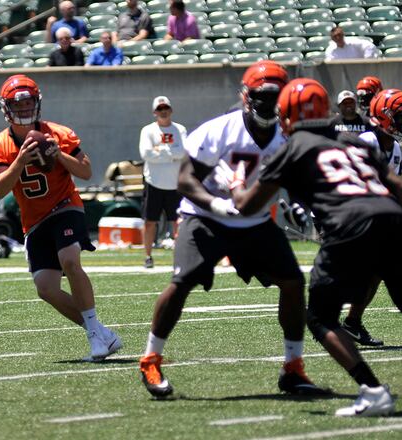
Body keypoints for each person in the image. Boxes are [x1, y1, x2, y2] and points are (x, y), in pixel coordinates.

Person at [139, 61, 326, 398]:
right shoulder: (219, 130)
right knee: (182, 281)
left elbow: (298, 177)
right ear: (245, 97)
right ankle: (151, 358)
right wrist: (216, 204)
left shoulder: (289, 134)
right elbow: (185, 179)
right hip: (205, 217)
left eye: (275, 97)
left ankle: (293, 367)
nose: (268, 104)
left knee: (293, 282)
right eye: (261, 96)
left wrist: (304, 206)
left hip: (253, 220)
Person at [229, 79, 402, 417]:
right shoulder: (355, 141)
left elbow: (249, 206)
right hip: (393, 217)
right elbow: (399, 186)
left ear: (288, 114)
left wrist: (237, 182)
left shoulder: (293, 145)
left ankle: (372, 390)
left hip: (348, 225)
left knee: (321, 317)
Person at [0, 74, 122, 360]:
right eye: (17, 105)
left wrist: (58, 155)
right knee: (45, 288)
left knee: (69, 259)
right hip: (34, 220)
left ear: (37, 103)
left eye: (28, 103)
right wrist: (20, 160)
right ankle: (100, 332)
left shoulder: (58, 133)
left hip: (65, 206)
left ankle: (95, 335)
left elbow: (85, 172)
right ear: (5, 108)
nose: (23, 110)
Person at [336, 88, 402, 348]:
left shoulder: (395, 147)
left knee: (376, 272)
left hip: (373, 215)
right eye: (401, 116)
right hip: (349, 212)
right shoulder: (365, 141)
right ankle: (327, 321)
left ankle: (352, 323)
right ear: (384, 116)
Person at [139, 96, 186, 269]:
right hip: (154, 182)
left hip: (175, 183)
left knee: (178, 222)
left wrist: (162, 151)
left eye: (166, 108)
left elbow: (185, 152)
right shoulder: (148, 131)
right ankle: (148, 256)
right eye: (160, 109)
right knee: (150, 221)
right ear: (154, 112)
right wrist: (172, 153)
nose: (163, 111)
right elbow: (146, 154)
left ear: (171, 110)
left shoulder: (179, 129)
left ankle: (180, 257)